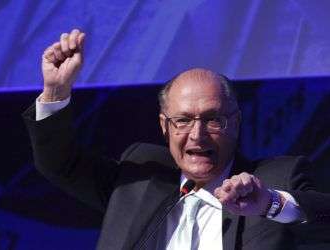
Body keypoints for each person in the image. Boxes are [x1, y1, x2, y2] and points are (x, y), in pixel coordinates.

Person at [23, 29, 330, 250]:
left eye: (213, 120)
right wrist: (56, 92)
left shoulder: (273, 178)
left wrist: (269, 203)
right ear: (164, 126)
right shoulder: (141, 175)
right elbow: (59, 163)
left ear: (235, 122)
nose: (197, 134)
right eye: (183, 121)